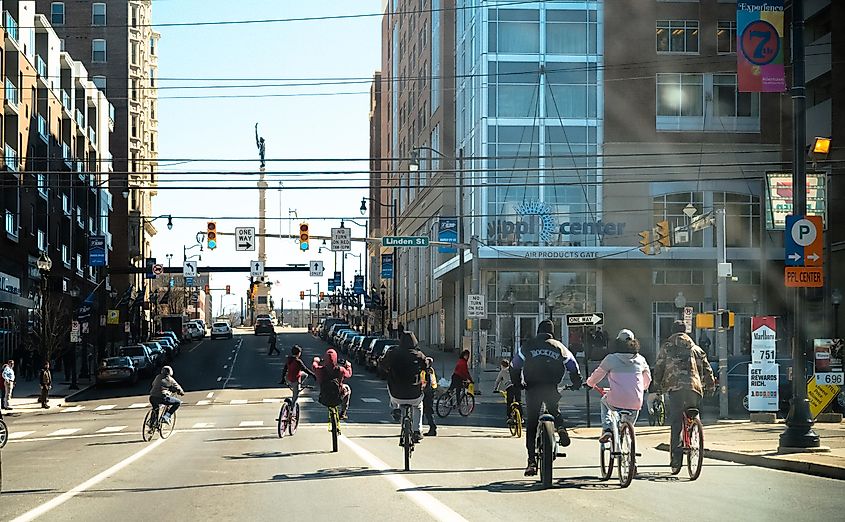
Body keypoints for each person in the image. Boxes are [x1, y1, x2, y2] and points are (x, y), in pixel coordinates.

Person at [513, 320, 582, 477]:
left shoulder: (527, 346)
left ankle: (531, 461)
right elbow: (573, 365)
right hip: (551, 386)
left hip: (533, 387)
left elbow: (514, 365)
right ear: (552, 332)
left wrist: (518, 383)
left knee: (531, 423)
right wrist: (576, 382)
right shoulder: (559, 347)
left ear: (538, 331)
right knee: (554, 409)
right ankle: (561, 427)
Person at [653, 320, 716, 473]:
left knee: (676, 423)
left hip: (675, 388)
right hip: (695, 387)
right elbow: (707, 369)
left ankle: (676, 460)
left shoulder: (667, 347)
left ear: (672, 331)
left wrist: (657, 388)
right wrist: (710, 387)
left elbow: (659, 368)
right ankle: (695, 429)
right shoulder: (696, 349)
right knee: (692, 412)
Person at [586, 329, 651, 443]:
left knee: (603, 401)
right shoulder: (641, 360)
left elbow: (597, 375)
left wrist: (590, 383)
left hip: (616, 400)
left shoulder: (611, 359)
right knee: (629, 423)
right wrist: (643, 388)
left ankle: (607, 428)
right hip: (635, 400)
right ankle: (629, 442)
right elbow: (647, 379)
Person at [382, 331, 428, 443]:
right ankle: (417, 431)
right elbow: (426, 366)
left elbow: (383, 365)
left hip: (396, 394)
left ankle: (395, 408)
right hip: (414, 394)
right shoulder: (419, 355)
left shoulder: (392, 353)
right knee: (418, 406)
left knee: (389, 385)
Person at [312, 348, 353, 419]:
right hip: (338, 396)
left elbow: (314, 367)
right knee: (347, 389)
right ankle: (343, 412)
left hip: (324, 397)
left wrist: (316, 361)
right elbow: (349, 374)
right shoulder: (341, 370)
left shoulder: (321, 370)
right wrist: (348, 366)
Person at [421, 357, 438, 436]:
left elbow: (425, 383)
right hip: (431, 392)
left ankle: (431, 428)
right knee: (428, 411)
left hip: (427, 393)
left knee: (426, 410)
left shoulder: (426, 371)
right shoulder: (431, 370)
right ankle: (432, 428)